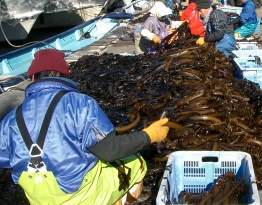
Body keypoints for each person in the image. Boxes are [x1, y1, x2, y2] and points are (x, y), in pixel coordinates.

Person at [0, 49, 170, 205]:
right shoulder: (79, 103)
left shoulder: (10, 118)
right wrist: (149, 135)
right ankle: (116, 200)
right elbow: (111, 150)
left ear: (32, 78)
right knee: (136, 163)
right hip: (82, 196)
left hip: (40, 199)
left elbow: (5, 160)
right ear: (64, 75)